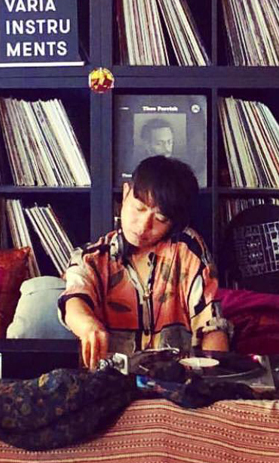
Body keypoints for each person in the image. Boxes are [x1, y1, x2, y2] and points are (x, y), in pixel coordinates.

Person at [58, 156, 230, 369]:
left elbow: (212, 325)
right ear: (125, 193)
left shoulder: (187, 250)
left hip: (177, 380)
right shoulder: (93, 257)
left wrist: (214, 375)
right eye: (139, 208)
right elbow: (74, 298)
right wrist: (87, 325)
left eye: (160, 219)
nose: (143, 226)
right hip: (110, 380)